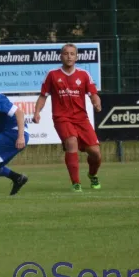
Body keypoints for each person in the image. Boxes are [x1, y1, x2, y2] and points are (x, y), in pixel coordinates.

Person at [33, 43, 102, 192]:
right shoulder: (52, 74)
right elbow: (43, 96)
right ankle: (76, 183)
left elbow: (93, 94)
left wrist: (96, 104)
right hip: (61, 117)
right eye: (66, 53)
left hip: (81, 119)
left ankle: (92, 175)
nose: (69, 56)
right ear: (61, 56)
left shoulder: (84, 74)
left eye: (72, 54)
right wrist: (37, 112)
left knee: (95, 153)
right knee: (71, 142)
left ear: (76, 57)